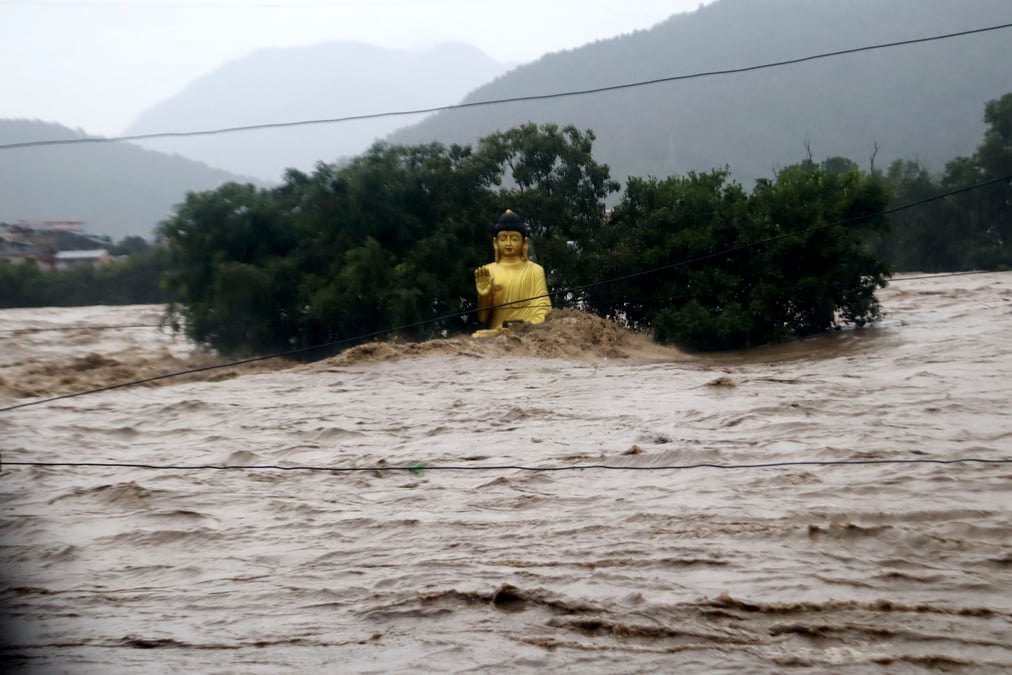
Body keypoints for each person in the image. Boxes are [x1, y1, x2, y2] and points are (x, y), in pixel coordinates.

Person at [472, 210, 551, 337]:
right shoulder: (489, 271)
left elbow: (543, 310)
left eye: (514, 239)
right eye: (503, 239)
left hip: (527, 331)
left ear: (524, 243)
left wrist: (523, 327)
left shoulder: (535, 270)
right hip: (497, 332)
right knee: (477, 336)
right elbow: (482, 317)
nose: (508, 244)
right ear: (495, 242)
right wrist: (484, 296)